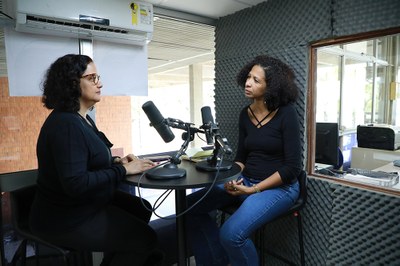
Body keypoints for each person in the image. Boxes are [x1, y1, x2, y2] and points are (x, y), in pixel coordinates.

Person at [29, 54, 164, 266]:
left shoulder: (80, 119)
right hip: (65, 219)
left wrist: (117, 162)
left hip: (83, 205)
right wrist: (124, 171)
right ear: (72, 83)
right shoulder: (67, 125)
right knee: (146, 239)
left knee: (142, 208)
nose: (99, 83)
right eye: (91, 78)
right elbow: (75, 184)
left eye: (97, 77)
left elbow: (88, 160)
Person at [186, 55, 302, 266]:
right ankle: (215, 261)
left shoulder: (286, 114)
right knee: (188, 208)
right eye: (249, 77)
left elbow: (293, 168)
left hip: (280, 188)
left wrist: (254, 189)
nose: (248, 83)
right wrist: (232, 179)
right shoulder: (245, 114)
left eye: (256, 80)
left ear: (271, 87)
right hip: (246, 181)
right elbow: (241, 159)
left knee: (231, 235)